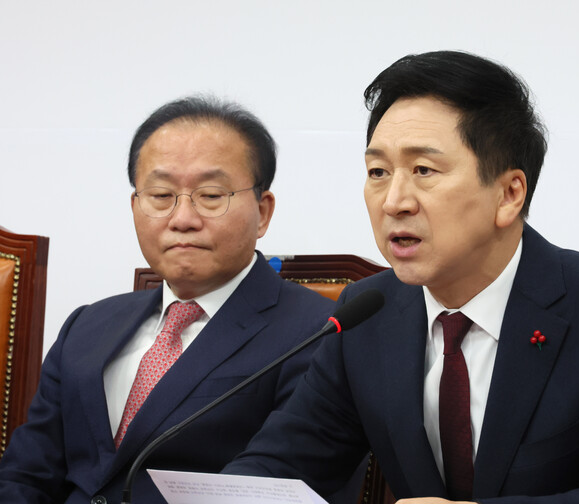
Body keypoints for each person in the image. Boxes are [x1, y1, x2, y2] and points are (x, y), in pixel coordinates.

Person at [223, 51, 579, 503]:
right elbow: (284, 463)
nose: (394, 201)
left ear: (509, 194)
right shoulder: (366, 315)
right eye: (378, 171)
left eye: (423, 170)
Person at [0, 96, 334, 503]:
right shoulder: (85, 326)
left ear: (262, 212)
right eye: (161, 195)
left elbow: (283, 486)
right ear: (135, 206)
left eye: (211, 195)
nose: (182, 219)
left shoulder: (319, 333)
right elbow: (24, 475)